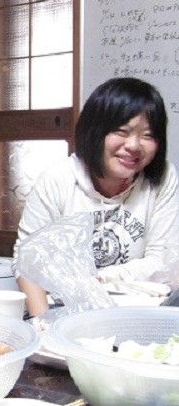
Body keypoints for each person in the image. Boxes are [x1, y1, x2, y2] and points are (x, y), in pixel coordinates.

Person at [13, 77, 179, 317]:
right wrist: (44, 325)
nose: (134, 146)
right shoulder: (58, 179)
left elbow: (163, 260)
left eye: (148, 135)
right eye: (121, 131)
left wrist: (102, 278)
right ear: (94, 131)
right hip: (65, 309)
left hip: (139, 311)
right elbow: (28, 261)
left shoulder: (163, 178)